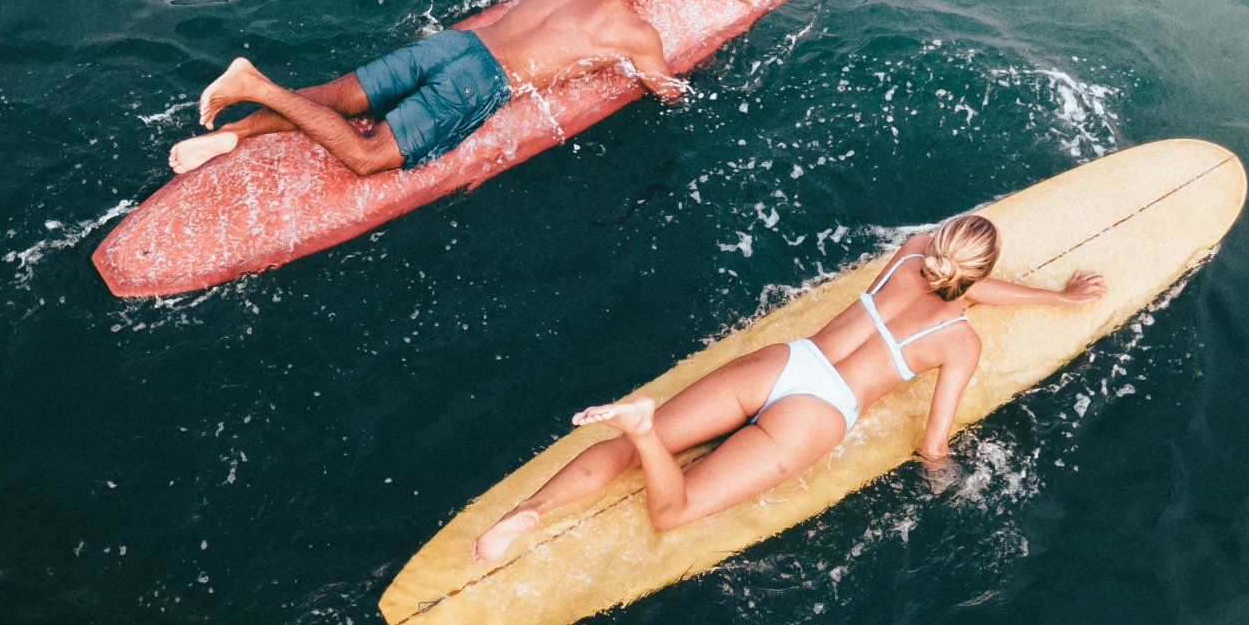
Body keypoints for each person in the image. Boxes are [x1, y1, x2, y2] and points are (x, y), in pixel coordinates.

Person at [472, 214, 1106, 561]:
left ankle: (523, 516)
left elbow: (953, 281)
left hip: (786, 363)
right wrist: (945, 479)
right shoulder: (961, 343)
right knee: (675, 511)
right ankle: (644, 433)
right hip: (818, 414)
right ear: (978, 276)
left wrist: (1038, 291)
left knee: (629, 448)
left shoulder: (913, 251)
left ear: (940, 246)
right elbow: (932, 443)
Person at [168, 0, 772, 176]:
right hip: (479, 84)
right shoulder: (633, 33)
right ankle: (254, 84)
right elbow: (665, 90)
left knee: (337, 97)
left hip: (456, 46)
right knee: (367, 156)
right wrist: (710, 66)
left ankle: (233, 133)